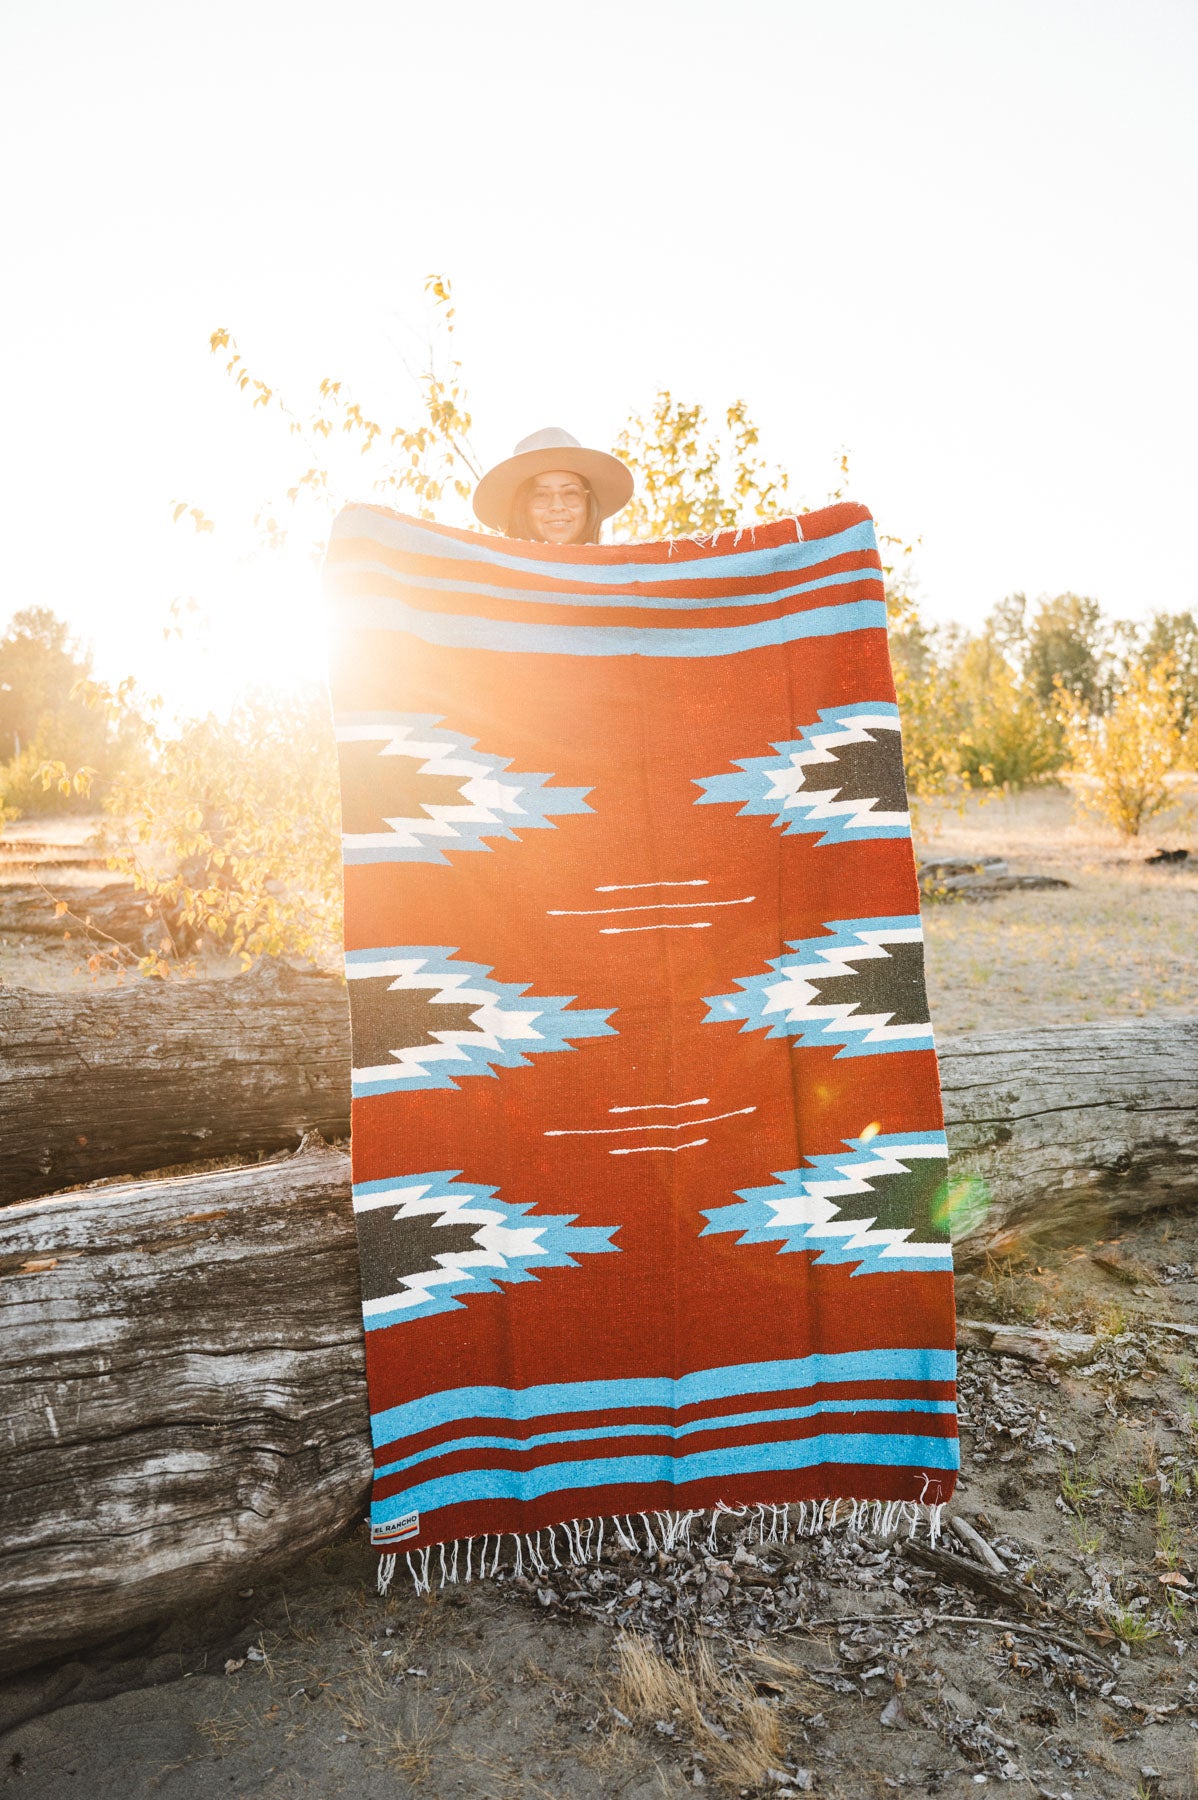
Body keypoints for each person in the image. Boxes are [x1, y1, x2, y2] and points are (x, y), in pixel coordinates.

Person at [472, 427, 634, 545]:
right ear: (522, 507)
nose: (557, 506)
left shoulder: (624, 579)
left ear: (588, 504)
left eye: (571, 493)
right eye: (541, 495)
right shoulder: (492, 578)